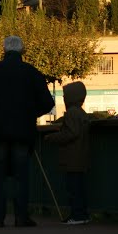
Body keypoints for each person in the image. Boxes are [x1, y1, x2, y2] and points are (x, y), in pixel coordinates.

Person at [0, 35, 55, 228]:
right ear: (22, 51)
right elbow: (47, 103)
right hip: (22, 132)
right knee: (21, 177)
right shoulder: (31, 72)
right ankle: (21, 216)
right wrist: (30, 114)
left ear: (3, 50)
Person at [45, 81, 92, 225]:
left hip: (72, 158)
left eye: (65, 95)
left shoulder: (71, 113)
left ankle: (77, 216)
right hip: (80, 157)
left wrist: (51, 137)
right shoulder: (81, 113)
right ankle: (82, 214)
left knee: (73, 189)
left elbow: (70, 133)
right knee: (79, 188)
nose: (63, 98)